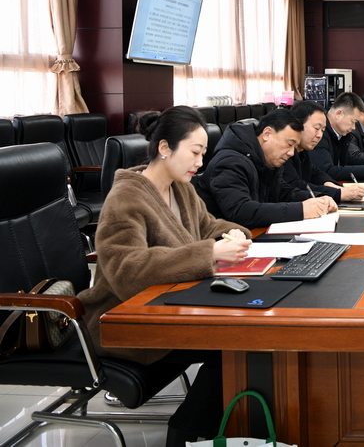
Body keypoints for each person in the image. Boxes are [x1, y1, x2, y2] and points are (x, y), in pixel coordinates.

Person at [78, 106, 253, 446]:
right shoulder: (126, 197)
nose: (200, 162)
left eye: (203, 154)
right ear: (164, 148)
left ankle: (203, 427)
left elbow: (208, 226)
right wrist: (208, 253)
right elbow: (126, 268)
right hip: (124, 318)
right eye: (195, 152)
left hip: (170, 305)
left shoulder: (181, 187)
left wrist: (234, 233)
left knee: (243, 340)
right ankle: (185, 434)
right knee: (236, 343)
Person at [195, 108, 336, 229]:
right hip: (225, 242)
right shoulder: (230, 162)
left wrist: (317, 199)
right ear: (267, 134)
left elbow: (283, 192)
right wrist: (301, 210)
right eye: (289, 144)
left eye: (294, 147)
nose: (291, 153)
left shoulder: (265, 159)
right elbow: (241, 211)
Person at [283, 100, 364, 202]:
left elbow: (314, 172)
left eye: (322, 130)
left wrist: (332, 185)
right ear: (297, 125)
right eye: (316, 128)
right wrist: (338, 193)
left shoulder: (303, 149)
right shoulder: (285, 152)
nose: (319, 135)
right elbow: (294, 185)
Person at [311, 92, 364, 182]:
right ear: (339, 114)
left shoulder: (340, 134)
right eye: (353, 121)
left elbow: (348, 160)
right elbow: (327, 171)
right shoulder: (319, 136)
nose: (353, 127)